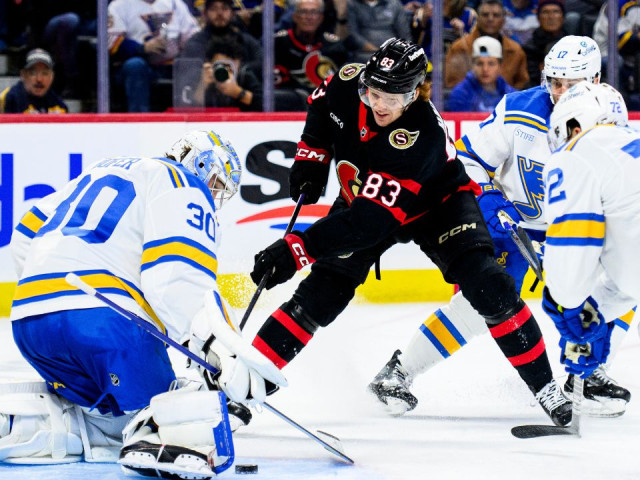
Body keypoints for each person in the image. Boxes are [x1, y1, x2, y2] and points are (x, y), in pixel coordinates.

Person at [231, 38, 571, 427]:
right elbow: (322, 104)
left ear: (415, 94)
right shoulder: (347, 81)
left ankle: (547, 389)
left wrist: (296, 249)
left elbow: (369, 223)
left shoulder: (420, 133)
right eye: (373, 93)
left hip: (438, 207)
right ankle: (244, 387)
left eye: (393, 98)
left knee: (489, 285)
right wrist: (312, 155)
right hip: (365, 197)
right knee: (320, 295)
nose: (379, 105)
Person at [369, 35, 632, 419]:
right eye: (555, 82)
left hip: (579, 227)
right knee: (481, 304)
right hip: (515, 224)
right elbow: (466, 158)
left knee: (621, 283)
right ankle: (399, 371)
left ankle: (588, 374)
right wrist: (489, 198)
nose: (560, 92)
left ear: (594, 79)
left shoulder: (609, 119)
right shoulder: (518, 109)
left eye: (571, 84)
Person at [0, 130, 286, 477]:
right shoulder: (182, 183)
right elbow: (177, 276)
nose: (213, 194)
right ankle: (157, 437)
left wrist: (54, 294)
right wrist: (220, 349)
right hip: (104, 326)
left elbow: (24, 234)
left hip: (30, 323)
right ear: (199, 164)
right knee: (180, 420)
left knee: (108, 418)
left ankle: (26, 423)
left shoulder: (99, 170)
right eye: (215, 182)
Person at [542, 81, 633, 414]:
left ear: (574, 126)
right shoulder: (627, 150)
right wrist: (596, 312)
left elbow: (574, 241)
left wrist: (569, 306)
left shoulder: (577, 153)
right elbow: (629, 272)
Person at [107, 0, 200, 112]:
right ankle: (139, 120)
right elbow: (111, 42)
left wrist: (185, 44)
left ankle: (191, 118)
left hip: (171, 65)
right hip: (139, 65)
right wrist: (142, 48)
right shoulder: (119, 5)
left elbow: (194, 36)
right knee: (135, 66)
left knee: (194, 64)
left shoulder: (175, 3)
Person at [273, 0, 349, 108]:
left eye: (314, 12)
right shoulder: (280, 43)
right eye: (304, 12)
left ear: (321, 17)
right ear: (295, 16)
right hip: (292, 105)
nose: (309, 17)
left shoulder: (334, 45)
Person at [445, 0, 528, 89]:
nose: (490, 19)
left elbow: (522, 84)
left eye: (496, 15)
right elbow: (452, 83)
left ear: (503, 21)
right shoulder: (460, 47)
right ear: (478, 19)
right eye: (485, 15)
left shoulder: (515, 50)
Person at [445, 35, 515, 112]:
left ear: (500, 66)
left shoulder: (511, 95)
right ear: (472, 65)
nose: (485, 69)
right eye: (479, 63)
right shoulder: (460, 94)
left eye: (491, 64)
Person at [192, 38, 263, 110]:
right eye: (220, 65)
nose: (225, 70)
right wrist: (202, 85)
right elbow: (192, 108)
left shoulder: (244, 76)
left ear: (238, 62)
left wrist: (238, 92)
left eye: (229, 65)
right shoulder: (206, 77)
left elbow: (264, 104)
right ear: (211, 63)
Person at [0, 48, 68, 114]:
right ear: (23, 75)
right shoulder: (9, 98)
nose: (39, 79)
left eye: (45, 73)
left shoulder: (58, 105)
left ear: (52, 77)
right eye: (33, 73)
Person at [346, 0, 412, 63]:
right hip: (365, 52)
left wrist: (404, 50)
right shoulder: (352, 4)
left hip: (393, 50)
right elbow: (353, 33)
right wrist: (378, 51)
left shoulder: (394, 3)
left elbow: (404, 33)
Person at [522, 0, 567, 88]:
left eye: (556, 12)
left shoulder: (572, 44)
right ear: (538, 17)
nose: (551, 17)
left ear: (563, 17)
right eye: (545, 12)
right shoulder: (529, 49)